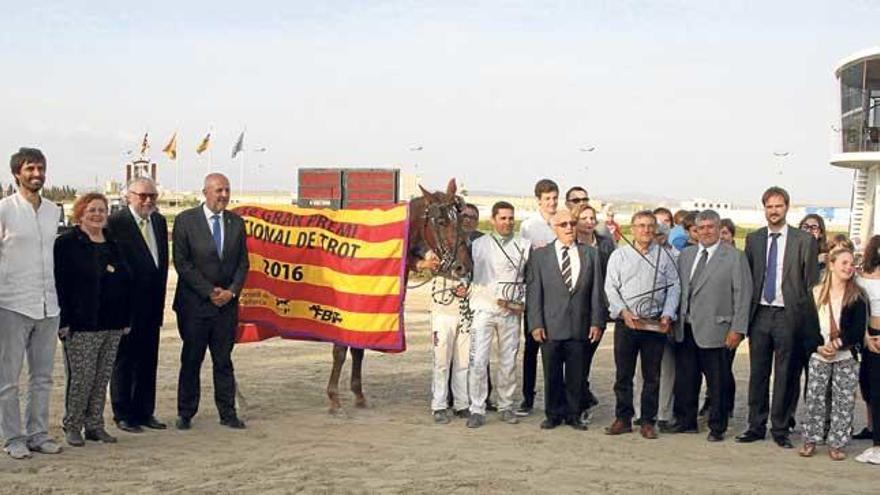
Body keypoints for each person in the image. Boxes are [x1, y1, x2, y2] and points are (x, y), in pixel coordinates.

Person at [737, 186, 819, 449]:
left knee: (786, 374)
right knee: (758, 373)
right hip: (760, 314)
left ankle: (781, 428)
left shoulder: (803, 241)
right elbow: (748, 279)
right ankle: (755, 425)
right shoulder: (754, 239)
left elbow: (811, 285)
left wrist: (806, 324)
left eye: (779, 206)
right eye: (769, 206)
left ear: (787, 208)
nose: (774, 211)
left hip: (789, 316)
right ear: (764, 209)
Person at [0, 148, 64, 459]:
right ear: (17, 173)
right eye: (30, 169)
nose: (36, 174)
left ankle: (38, 434)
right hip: (11, 304)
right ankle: (13, 437)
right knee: (8, 380)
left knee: (42, 378)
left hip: (48, 305)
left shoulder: (54, 211)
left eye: (40, 168)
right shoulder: (4, 210)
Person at [55, 193, 133, 446]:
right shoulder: (67, 243)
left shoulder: (113, 242)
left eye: (102, 210)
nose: (97, 214)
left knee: (102, 378)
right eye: (92, 210)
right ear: (80, 213)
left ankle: (95, 425)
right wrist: (64, 321)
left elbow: (125, 282)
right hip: (81, 324)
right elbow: (61, 284)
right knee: (82, 377)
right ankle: (73, 425)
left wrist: (125, 318)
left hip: (112, 323)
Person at [173, 173, 249, 430]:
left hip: (226, 307)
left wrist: (231, 291)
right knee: (192, 359)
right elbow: (182, 263)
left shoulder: (236, 223)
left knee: (223, 361)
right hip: (195, 306)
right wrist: (209, 291)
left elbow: (243, 263)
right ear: (205, 192)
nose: (224, 195)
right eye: (218, 190)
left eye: (226, 190)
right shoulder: (186, 221)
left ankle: (227, 413)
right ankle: (185, 412)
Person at [671, 210, 752, 442]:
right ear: (694, 230)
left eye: (710, 227)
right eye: (701, 227)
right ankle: (686, 421)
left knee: (718, 381)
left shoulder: (734, 257)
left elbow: (742, 295)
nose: (705, 231)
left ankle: (717, 426)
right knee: (686, 378)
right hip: (686, 327)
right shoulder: (686, 255)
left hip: (718, 329)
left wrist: (737, 329)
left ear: (718, 229)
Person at [527, 208, 606, 430]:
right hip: (550, 327)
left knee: (576, 374)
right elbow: (534, 293)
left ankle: (573, 414)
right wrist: (536, 324)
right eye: (564, 225)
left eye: (572, 223)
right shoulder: (540, 256)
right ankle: (553, 414)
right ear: (554, 228)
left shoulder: (590, 254)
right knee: (551, 373)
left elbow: (596, 292)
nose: (569, 228)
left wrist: (596, 322)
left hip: (580, 326)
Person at [604, 211, 680, 439]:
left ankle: (648, 421)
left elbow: (674, 287)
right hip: (627, 323)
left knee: (652, 376)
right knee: (623, 374)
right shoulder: (620, 256)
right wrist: (623, 312)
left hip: (654, 324)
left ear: (655, 229)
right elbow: (611, 288)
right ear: (632, 229)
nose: (645, 230)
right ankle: (623, 418)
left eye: (649, 226)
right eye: (640, 225)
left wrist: (668, 314)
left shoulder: (665, 257)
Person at [108, 177, 169, 433]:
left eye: (152, 196)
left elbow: (162, 263)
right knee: (124, 361)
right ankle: (123, 413)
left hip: (153, 306)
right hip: (126, 307)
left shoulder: (158, 221)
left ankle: (145, 411)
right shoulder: (115, 223)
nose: (148, 201)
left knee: (148, 360)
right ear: (128, 196)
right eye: (143, 196)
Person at [466, 201, 530, 428]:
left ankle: (506, 405)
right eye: (502, 218)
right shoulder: (478, 244)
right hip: (483, 309)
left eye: (510, 218)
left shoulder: (525, 245)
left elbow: (529, 278)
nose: (507, 222)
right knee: (479, 360)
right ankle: (477, 407)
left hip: (511, 312)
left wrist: (520, 303)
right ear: (493, 220)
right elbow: (467, 271)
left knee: (508, 361)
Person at [798, 247, 865, 460]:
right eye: (844, 263)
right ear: (832, 265)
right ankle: (810, 439)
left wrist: (838, 344)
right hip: (819, 356)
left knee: (843, 401)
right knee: (815, 398)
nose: (848, 267)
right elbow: (806, 327)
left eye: (851, 263)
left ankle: (837, 443)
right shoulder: (815, 293)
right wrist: (817, 346)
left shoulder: (857, 296)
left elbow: (856, 329)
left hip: (845, 357)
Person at [517, 179, 559, 416]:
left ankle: (558, 397)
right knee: (532, 349)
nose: (551, 203)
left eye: (554, 198)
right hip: (535, 294)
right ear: (539, 200)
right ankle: (527, 398)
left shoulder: (563, 222)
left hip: (560, 296)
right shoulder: (529, 226)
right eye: (547, 199)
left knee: (557, 350)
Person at [573, 202, 614, 416]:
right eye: (584, 218)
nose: (589, 222)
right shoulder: (569, 242)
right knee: (576, 357)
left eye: (592, 218)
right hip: (573, 309)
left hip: (597, 308)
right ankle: (580, 399)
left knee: (585, 357)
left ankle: (582, 397)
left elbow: (612, 273)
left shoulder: (605, 243)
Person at [649, 206, 679, 431]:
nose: (657, 237)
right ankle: (642, 412)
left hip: (667, 321)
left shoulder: (677, 256)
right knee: (645, 369)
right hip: (643, 321)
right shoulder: (638, 254)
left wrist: (669, 315)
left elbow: (677, 289)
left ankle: (664, 413)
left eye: (661, 233)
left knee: (668, 369)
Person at [854, 235, 880, 462]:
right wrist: (865, 337)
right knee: (869, 385)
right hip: (868, 336)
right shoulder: (862, 277)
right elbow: (858, 309)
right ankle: (872, 430)